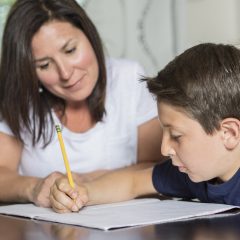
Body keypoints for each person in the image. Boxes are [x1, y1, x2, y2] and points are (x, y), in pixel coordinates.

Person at [0, 0, 164, 207]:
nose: (66, 74)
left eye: (70, 50)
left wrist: (89, 180)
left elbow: (159, 167)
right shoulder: (22, 97)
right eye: (44, 65)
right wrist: (34, 188)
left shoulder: (128, 78)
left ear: (89, 35)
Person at [50, 43, 240, 213]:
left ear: (229, 133)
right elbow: (133, 182)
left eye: (176, 135)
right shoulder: (191, 172)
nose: (164, 149)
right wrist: (85, 192)